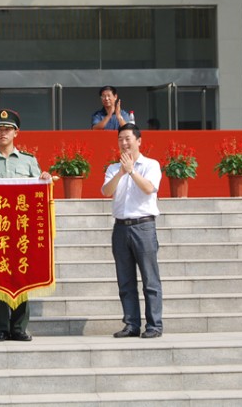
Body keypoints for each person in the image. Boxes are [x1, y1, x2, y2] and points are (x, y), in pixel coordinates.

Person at [0, 108, 52, 342]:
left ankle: (19, 327)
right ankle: (1, 328)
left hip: (22, 229)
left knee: (23, 277)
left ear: (16, 133)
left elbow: (39, 189)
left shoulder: (29, 161)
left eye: (7, 129)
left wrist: (43, 179)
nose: (3, 133)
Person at [101, 123, 163, 339]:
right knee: (125, 281)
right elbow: (106, 191)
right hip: (120, 228)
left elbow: (148, 188)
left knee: (150, 280)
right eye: (120, 139)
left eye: (128, 138)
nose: (124, 143)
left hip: (144, 226)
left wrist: (132, 171)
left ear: (139, 141)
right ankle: (131, 324)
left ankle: (154, 325)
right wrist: (120, 172)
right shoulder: (112, 168)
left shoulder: (151, 165)